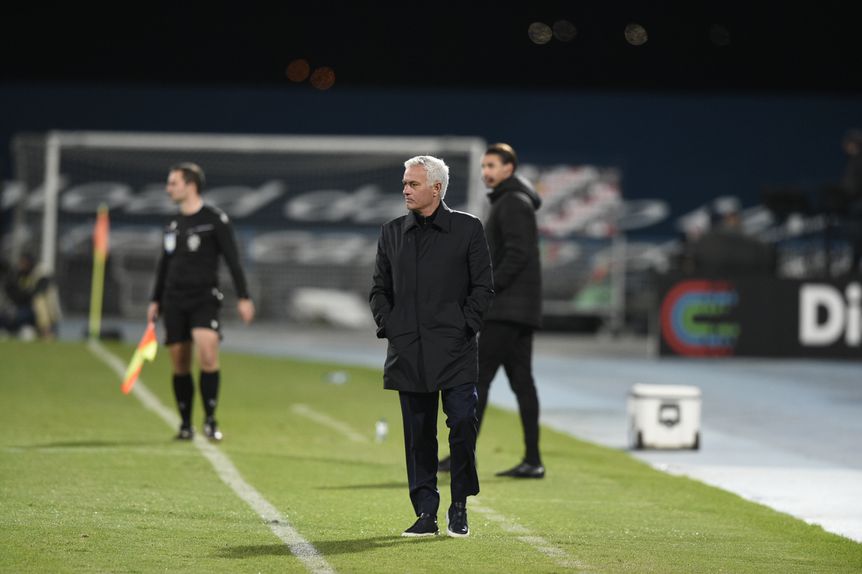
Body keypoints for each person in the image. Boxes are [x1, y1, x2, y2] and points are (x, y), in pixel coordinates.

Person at [369, 155, 494, 538]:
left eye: (413, 184)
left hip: (455, 349)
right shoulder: (391, 232)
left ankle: (460, 505)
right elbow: (378, 290)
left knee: (461, 425)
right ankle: (426, 512)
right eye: (405, 183)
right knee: (418, 436)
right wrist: (393, 328)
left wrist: (465, 326)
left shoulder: (468, 228)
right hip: (409, 350)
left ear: (436, 189)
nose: (405, 189)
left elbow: (483, 287)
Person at [439, 143, 545, 479]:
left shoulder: (512, 203)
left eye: (492, 166)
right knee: (521, 382)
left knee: (477, 377)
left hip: (507, 308)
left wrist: (487, 288)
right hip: (520, 307)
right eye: (483, 166)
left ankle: (462, 456)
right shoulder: (511, 200)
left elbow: (517, 254)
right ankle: (533, 460)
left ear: (508, 169)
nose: (486, 171)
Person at [147, 163, 255, 441]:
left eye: (173, 183)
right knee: (180, 363)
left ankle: (210, 420)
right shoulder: (172, 224)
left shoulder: (215, 220)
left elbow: (233, 261)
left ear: (190, 185)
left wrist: (244, 297)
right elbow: (164, 265)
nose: (168, 188)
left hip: (204, 298)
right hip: (174, 300)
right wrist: (155, 300)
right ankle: (185, 424)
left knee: (207, 354)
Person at [1, 252, 61, 339]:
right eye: (21, 262)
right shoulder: (17, 274)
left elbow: (38, 292)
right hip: (22, 308)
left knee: (40, 301)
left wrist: (25, 294)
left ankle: (46, 331)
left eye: (25, 262)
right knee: (7, 317)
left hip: (39, 310)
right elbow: (12, 292)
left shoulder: (40, 273)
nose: (22, 265)